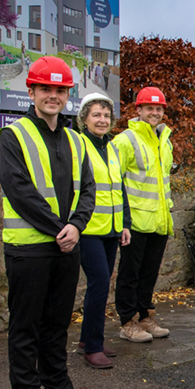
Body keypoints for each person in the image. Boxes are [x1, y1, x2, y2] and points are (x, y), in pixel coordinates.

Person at [0, 56, 98, 389]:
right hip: (29, 248)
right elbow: (18, 191)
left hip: (66, 245)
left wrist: (77, 225)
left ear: (67, 95)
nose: (53, 96)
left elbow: (89, 189)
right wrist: (61, 228)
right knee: (27, 326)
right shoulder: (12, 135)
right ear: (32, 91)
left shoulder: (75, 140)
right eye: (46, 89)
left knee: (57, 322)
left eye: (60, 90)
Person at [111, 86, 174, 343]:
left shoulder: (164, 140)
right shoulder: (125, 140)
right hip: (135, 221)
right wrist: (121, 220)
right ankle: (128, 322)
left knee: (149, 273)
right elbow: (114, 181)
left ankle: (145, 317)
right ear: (138, 110)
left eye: (159, 109)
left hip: (159, 219)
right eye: (150, 108)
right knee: (130, 273)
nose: (155, 113)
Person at [73, 93, 131, 370]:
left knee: (101, 283)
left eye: (106, 115)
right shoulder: (78, 145)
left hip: (111, 228)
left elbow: (120, 189)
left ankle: (87, 338)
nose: (102, 120)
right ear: (84, 119)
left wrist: (125, 224)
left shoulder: (112, 148)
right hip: (88, 229)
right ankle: (93, 347)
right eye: (96, 114)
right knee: (98, 284)